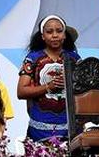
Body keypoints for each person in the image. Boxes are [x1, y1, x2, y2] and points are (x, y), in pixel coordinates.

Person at [17, 15, 80, 143]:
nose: (55, 35)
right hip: (39, 128)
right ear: (43, 36)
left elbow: (83, 89)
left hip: (70, 127)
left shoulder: (74, 58)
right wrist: (48, 87)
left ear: (64, 35)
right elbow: (21, 92)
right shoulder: (32, 58)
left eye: (59, 31)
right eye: (49, 32)